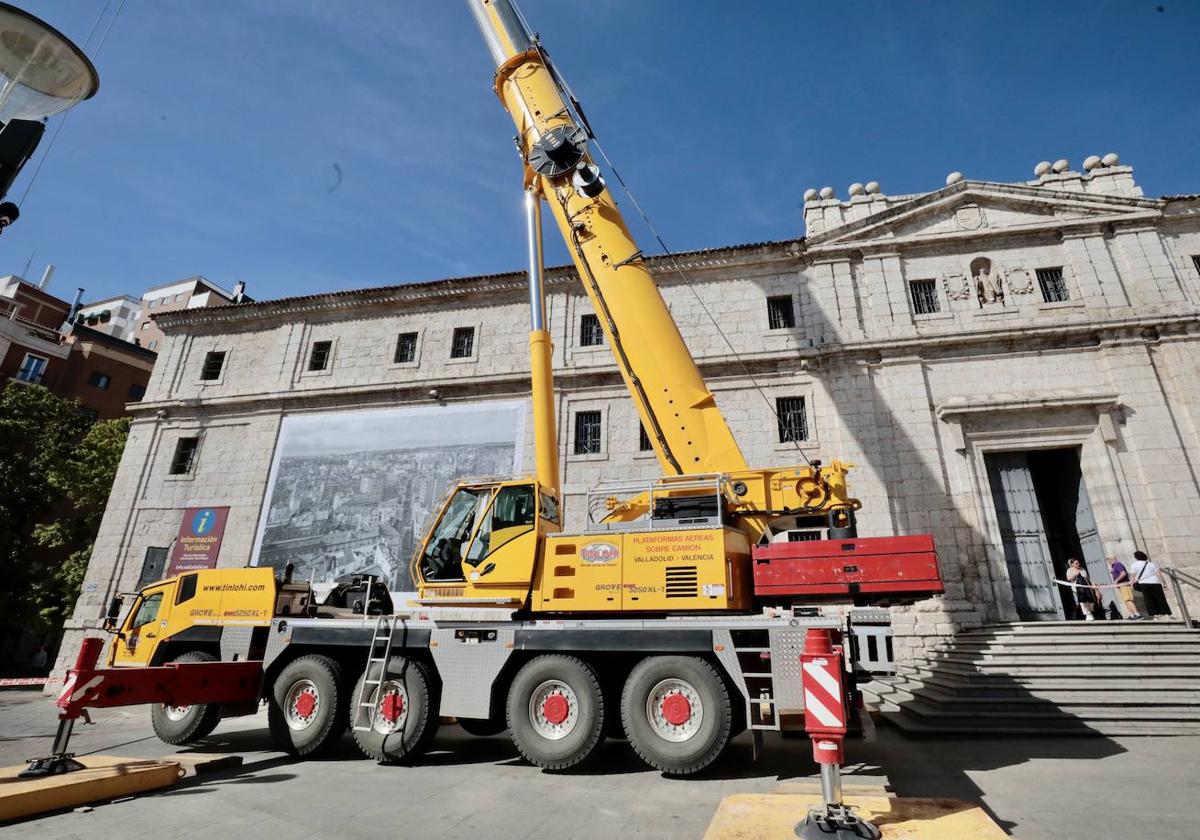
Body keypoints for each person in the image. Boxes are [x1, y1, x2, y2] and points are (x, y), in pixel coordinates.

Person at [1130, 550, 1172, 620]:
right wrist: (1164, 583)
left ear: (1136, 557)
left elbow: (1132, 576)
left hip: (1144, 583)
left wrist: (1131, 584)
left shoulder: (1134, 565)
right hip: (1155, 583)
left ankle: (1155, 615)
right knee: (1161, 599)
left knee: (1149, 600)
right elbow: (1158, 574)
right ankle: (1166, 613)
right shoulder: (1151, 564)